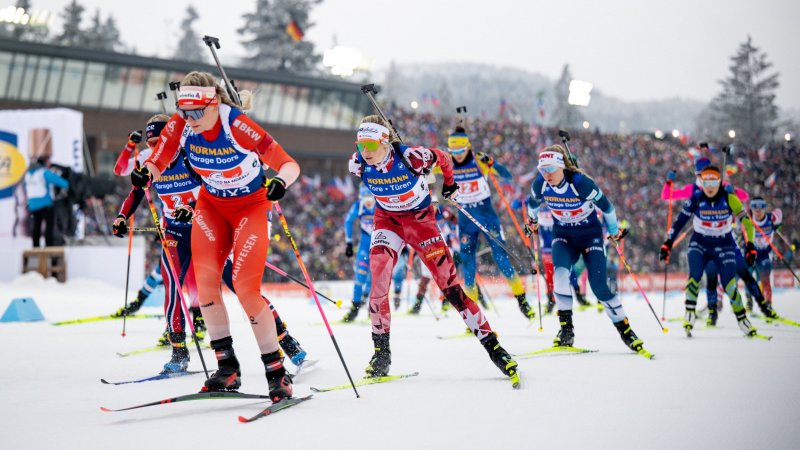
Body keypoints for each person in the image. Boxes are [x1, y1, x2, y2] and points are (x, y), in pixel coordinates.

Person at [132, 71, 300, 402]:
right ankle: (227, 367)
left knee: (246, 289)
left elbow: (288, 163)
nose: (190, 119)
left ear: (214, 103)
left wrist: (281, 181)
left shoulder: (236, 124)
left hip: (250, 208)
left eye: (197, 112)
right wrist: (145, 172)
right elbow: (160, 156)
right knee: (206, 286)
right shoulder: (182, 121)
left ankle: (277, 373)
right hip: (211, 207)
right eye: (185, 111)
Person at [348, 115, 519, 386]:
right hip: (388, 222)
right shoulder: (357, 164)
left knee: (450, 287)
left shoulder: (412, 156)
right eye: (360, 145)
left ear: (384, 142)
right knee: (378, 282)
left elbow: (444, 158)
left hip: (421, 223)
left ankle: (494, 347)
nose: (364, 152)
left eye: (369, 145)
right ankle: (381, 354)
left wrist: (449, 184)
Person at [526, 146, 647, 353]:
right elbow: (533, 204)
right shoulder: (541, 184)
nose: (546, 174)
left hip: (590, 235)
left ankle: (626, 331)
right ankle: (566, 331)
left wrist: (614, 231)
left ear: (562, 166)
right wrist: (532, 221)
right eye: (542, 169)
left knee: (598, 286)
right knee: (561, 275)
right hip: (563, 235)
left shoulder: (580, 183)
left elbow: (607, 207)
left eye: (551, 169)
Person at [660, 166, 765, 337]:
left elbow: (747, 222)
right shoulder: (696, 198)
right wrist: (667, 244)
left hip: (724, 244)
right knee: (694, 275)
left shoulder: (730, 198)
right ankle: (689, 313)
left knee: (729, 284)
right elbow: (679, 222)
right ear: (701, 182)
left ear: (719, 182)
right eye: (705, 182)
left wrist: (751, 245)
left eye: (713, 181)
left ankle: (742, 319)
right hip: (700, 242)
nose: (709, 186)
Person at [446, 127, 534, 319]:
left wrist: (492, 162)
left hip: (487, 215)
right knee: (468, 264)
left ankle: (521, 300)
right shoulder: (447, 162)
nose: (457, 156)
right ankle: (473, 313)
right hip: (465, 218)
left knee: (501, 257)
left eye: (460, 151)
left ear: (467, 148)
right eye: (453, 152)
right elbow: (425, 169)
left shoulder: (478, 160)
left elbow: (507, 175)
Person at [342, 184, 375, 322]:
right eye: (364, 197)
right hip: (364, 245)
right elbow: (348, 221)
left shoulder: (379, 203)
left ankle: (373, 309)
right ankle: (354, 309)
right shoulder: (358, 205)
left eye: (370, 198)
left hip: (379, 245)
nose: (367, 201)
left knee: (376, 278)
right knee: (360, 276)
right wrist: (348, 243)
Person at [23, 155, 69, 247]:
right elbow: (62, 182)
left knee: (36, 227)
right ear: (44, 163)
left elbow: (26, 188)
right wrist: (68, 184)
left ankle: (35, 247)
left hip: (33, 205)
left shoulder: (27, 175)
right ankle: (49, 246)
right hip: (46, 204)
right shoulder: (44, 172)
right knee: (49, 227)